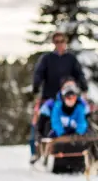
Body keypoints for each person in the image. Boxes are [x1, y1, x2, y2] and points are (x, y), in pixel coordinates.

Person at [29, 31, 88, 163]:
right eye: (57, 41)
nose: (60, 44)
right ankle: (36, 152)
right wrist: (36, 86)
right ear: (53, 43)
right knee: (39, 122)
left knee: (83, 116)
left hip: (69, 96)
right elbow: (39, 73)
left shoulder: (71, 59)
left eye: (62, 41)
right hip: (49, 97)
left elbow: (79, 74)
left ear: (65, 42)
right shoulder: (47, 58)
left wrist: (84, 87)